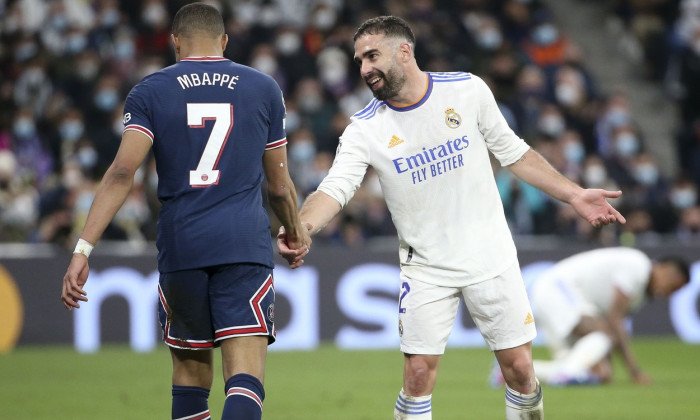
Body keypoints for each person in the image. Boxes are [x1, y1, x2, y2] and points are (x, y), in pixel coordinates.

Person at [277, 16, 626, 420]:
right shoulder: (364, 129)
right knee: (418, 374)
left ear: (404, 51)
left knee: (520, 371)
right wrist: (303, 227)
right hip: (425, 266)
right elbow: (334, 188)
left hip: (490, 255)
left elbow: (515, 153)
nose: (364, 68)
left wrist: (575, 195)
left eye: (372, 56)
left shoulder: (467, 90)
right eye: (359, 61)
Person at [60, 4, 310, 420]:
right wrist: (296, 232)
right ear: (224, 41)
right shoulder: (262, 87)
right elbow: (279, 185)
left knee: (190, 381)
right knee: (245, 377)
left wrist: (83, 248)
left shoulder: (150, 91)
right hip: (243, 245)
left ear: (175, 41)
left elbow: (122, 172)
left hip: (182, 248)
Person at [523, 248, 689, 386]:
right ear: (665, 269)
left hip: (557, 296)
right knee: (605, 335)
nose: (668, 294)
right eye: (672, 286)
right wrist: (634, 371)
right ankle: (566, 374)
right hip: (558, 288)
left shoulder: (640, 294)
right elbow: (614, 321)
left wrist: (606, 366)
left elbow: (607, 322)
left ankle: (517, 371)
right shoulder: (639, 266)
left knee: (600, 374)